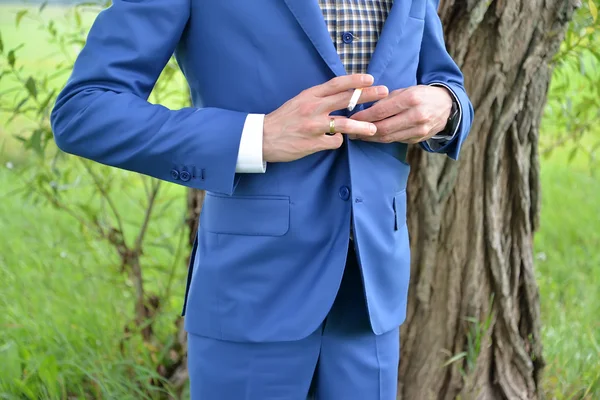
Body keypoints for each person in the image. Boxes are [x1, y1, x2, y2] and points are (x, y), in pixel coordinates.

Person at [51, 0, 473, 398]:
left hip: (370, 300)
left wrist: (446, 106)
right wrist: (257, 136)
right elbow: (85, 109)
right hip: (252, 293)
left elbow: (443, 79)